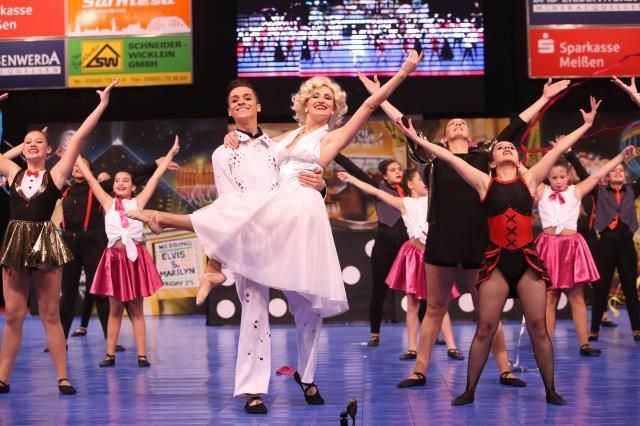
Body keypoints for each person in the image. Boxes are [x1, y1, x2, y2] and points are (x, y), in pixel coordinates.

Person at [128, 51, 423, 414]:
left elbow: (370, 106)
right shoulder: (279, 140)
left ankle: (308, 375)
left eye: (328, 97)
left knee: (308, 309)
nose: (321, 100)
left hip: (300, 221)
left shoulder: (331, 139)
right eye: (315, 94)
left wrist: (403, 73)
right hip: (266, 218)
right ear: (304, 103)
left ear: (334, 109)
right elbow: (250, 145)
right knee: (253, 303)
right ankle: (253, 388)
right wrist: (230, 134)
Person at [359, 75, 570, 389]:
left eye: (462, 123)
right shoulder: (432, 157)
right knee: (434, 308)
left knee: (488, 314)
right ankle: (419, 370)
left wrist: (543, 98)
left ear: (471, 136)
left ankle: (504, 370)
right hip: (442, 242)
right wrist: (380, 96)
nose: (458, 125)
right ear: (443, 139)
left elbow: (516, 126)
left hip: (478, 244)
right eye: (452, 125)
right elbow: (403, 123)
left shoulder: (485, 159)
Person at [397, 95, 603, 406]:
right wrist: (413, 137)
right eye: (501, 148)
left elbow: (554, 148)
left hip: (522, 258)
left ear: (517, 157)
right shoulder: (483, 180)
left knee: (538, 327)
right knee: (483, 325)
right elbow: (448, 157)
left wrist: (585, 125)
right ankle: (466, 389)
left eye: (511, 148)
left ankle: (547, 388)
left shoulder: (530, 179)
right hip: (481, 255)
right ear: (492, 161)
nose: (506, 148)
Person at [0, 81, 117, 395]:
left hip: (44, 242)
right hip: (16, 242)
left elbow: (78, 137)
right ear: (22, 149)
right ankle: (2, 378)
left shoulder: (57, 175)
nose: (33, 144)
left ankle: (63, 377)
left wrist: (102, 105)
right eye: (28, 141)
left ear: (49, 149)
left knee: (50, 314)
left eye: (39, 141)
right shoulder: (12, 172)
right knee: (13, 315)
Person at [337, 168, 464, 361]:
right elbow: (376, 191)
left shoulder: (434, 199)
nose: (424, 183)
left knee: (439, 302)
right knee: (412, 303)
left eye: (426, 180)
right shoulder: (405, 203)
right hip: (415, 256)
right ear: (410, 184)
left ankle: (452, 346)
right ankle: (412, 348)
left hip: (433, 255)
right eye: (420, 179)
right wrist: (352, 178)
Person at [76, 137, 179, 368]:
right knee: (115, 309)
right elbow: (91, 179)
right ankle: (110, 354)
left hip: (134, 259)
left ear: (133, 186)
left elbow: (154, 178)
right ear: (112, 187)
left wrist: (170, 154)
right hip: (113, 259)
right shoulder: (107, 202)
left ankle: (142, 355)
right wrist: (76, 150)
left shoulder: (139, 202)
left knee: (136, 309)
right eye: (118, 180)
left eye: (126, 180)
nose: (121, 183)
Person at [537, 147, 636, 355]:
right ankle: (545, 345)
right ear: (547, 176)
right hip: (550, 248)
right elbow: (523, 171)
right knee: (550, 297)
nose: (557, 180)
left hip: (571, 247)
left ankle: (584, 343)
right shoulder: (541, 191)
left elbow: (599, 174)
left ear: (568, 177)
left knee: (577, 296)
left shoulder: (576, 191)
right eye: (553, 177)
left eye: (562, 176)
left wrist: (620, 156)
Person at [333, 156, 407, 347]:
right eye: (393, 169)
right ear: (384, 175)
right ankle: (375, 334)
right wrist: (334, 152)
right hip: (385, 245)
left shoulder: (411, 190)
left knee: (422, 291)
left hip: (409, 246)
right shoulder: (377, 188)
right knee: (379, 291)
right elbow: (355, 170)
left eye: (399, 168)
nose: (398, 172)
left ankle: (433, 333)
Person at [589, 76, 640, 342]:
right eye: (614, 171)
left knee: (630, 287)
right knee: (600, 286)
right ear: (609, 176)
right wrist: (574, 156)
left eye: (622, 170)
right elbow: (580, 173)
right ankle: (594, 328)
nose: (618, 173)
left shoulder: (633, 189)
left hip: (626, 243)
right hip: (606, 243)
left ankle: (637, 328)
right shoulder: (601, 190)